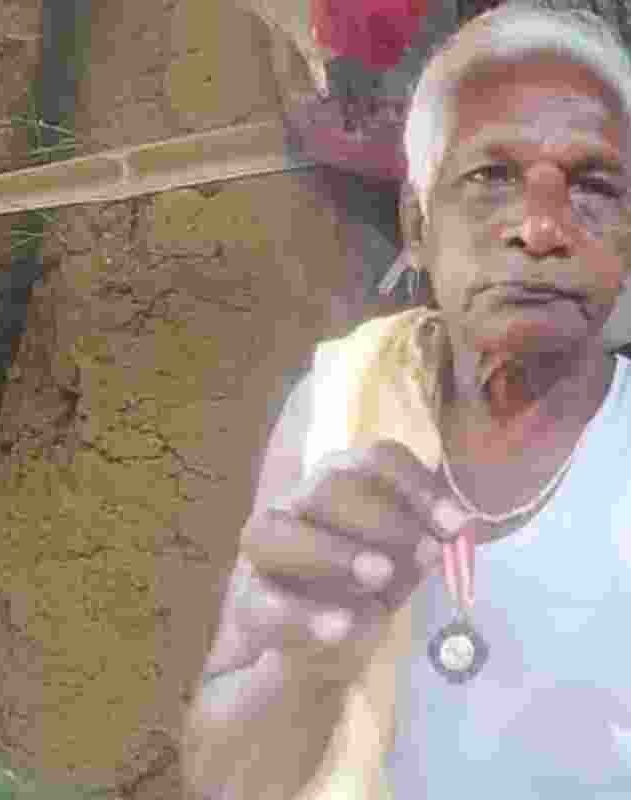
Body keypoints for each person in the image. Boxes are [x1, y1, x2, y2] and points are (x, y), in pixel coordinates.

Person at [183, 5, 631, 798]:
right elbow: (220, 786)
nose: (539, 227)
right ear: (416, 227)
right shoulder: (333, 410)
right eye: (491, 178)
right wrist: (305, 666)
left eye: (592, 188)